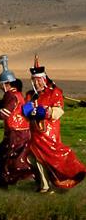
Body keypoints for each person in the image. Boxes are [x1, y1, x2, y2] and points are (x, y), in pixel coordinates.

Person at [23, 55, 86, 192]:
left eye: (39, 80)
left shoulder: (54, 93)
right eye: (34, 80)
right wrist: (29, 111)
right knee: (33, 158)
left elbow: (58, 112)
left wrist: (45, 111)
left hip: (48, 134)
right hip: (35, 134)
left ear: (44, 79)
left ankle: (50, 184)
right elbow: (26, 111)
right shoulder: (30, 95)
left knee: (50, 159)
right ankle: (43, 185)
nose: (37, 83)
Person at [0, 55, 33, 188]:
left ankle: (5, 182)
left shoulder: (10, 95)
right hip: (24, 131)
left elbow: (4, 115)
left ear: (5, 84)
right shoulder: (19, 94)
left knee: (4, 157)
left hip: (15, 132)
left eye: (1, 83)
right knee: (17, 156)